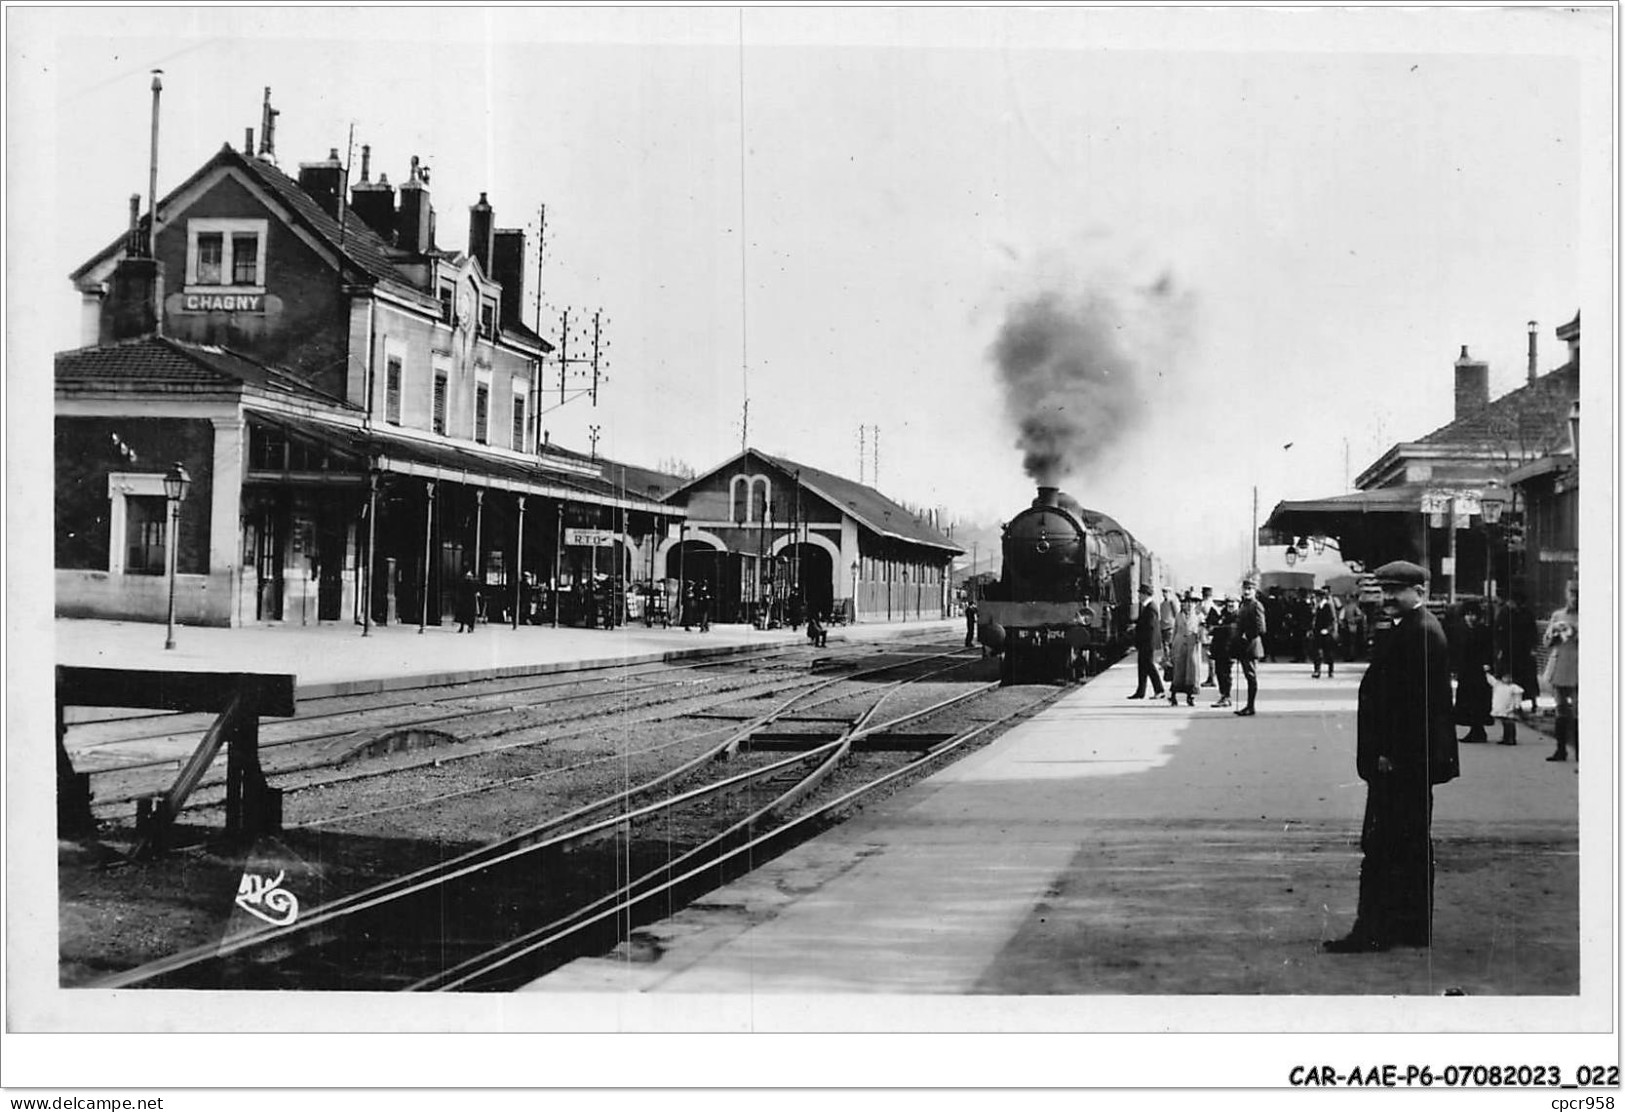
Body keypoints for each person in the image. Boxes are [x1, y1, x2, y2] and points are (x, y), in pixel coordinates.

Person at [1323, 560, 1458, 954]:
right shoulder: (1417, 629)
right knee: (1409, 842)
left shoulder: (1420, 634)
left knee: (1383, 844)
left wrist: (1390, 754)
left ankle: (1373, 930)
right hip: (1409, 760)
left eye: (1396, 590)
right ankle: (1410, 928)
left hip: (1401, 762)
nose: (1388, 598)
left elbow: (1415, 706)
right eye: (1384, 590)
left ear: (1420, 592)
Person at [1543, 582, 1578, 762]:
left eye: (1578, 593)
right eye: (1571, 593)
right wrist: (1555, 634)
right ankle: (1560, 749)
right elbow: (1546, 641)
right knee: (1561, 709)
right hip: (1560, 666)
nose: (1574, 597)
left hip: (1579, 667)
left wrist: (1576, 634)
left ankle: (1580, 752)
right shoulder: (1558, 615)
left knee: (1579, 710)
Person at [1451, 601, 1494, 743]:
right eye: (1468, 615)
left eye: (1474, 615)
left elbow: (1489, 649)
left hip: (1479, 671)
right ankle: (1475, 729)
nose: (1471, 618)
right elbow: (1455, 650)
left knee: (1478, 700)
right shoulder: (1459, 630)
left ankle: (1478, 729)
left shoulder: (1483, 630)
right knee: (1467, 701)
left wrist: (1487, 664)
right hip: (1465, 671)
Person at [1493, 591, 1541, 715]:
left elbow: (1533, 631)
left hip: (1523, 650)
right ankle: (1515, 704)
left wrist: (1533, 647)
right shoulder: (1504, 613)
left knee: (1527, 678)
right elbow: (1498, 632)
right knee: (1512, 678)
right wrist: (1499, 649)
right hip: (1510, 650)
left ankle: (1531, 701)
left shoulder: (1526, 613)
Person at [1231, 577, 1267, 716]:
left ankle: (1251, 706)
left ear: (1255, 591)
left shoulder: (1256, 605)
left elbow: (1261, 627)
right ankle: (1248, 706)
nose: (1247, 591)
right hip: (1243, 646)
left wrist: (1248, 635)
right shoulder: (1244, 605)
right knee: (1248, 676)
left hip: (1251, 646)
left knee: (1251, 677)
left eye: (1250, 589)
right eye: (1245, 589)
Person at [1128, 583, 1166, 700]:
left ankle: (1159, 690)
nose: (1139, 596)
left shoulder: (1151, 608)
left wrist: (1137, 627)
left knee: (1149, 666)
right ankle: (1140, 691)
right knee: (1142, 667)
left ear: (1145, 595)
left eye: (1140, 594)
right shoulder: (1147, 607)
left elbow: (1150, 627)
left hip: (1147, 642)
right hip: (1144, 642)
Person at [1167, 591, 1204, 706]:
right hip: (1180, 644)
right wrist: (1172, 644)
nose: (1187, 605)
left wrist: (1200, 637)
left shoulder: (1198, 615)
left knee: (1191, 670)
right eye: (1184, 603)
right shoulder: (1179, 615)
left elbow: (1203, 630)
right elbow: (1175, 630)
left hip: (1192, 645)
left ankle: (1190, 695)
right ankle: (1173, 695)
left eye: (1190, 603)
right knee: (1178, 670)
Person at [1208, 595, 1238, 708]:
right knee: (1219, 672)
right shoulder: (1224, 614)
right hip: (1219, 649)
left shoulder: (1237, 616)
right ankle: (1223, 695)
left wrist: (1217, 628)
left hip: (1229, 649)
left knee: (1225, 673)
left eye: (1233, 602)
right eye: (1229, 602)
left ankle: (1226, 696)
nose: (1230, 605)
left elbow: (1232, 630)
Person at [1309, 586, 1339, 678]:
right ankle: (1317, 670)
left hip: (1326, 632)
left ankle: (1331, 670)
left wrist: (1328, 629)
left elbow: (1332, 619)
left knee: (1328, 652)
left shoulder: (1327, 606)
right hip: (1317, 632)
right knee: (1316, 652)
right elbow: (1314, 620)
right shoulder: (1317, 607)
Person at [1488, 670, 1523, 746]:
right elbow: (1490, 679)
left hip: (1509, 708)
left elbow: (1518, 697)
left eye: (1509, 677)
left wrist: (1517, 705)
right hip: (1501, 707)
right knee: (1504, 723)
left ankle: (1511, 738)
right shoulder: (1498, 685)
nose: (1507, 679)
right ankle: (1505, 737)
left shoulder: (1514, 687)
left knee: (1510, 723)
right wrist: (1486, 673)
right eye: (1505, 677)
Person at [1199, 586, 1219, 686]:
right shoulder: (1212, 605)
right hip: (1209, 632)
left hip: (1208, 633)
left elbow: (1205, 619)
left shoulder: (1206, 605)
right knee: (1210, 656)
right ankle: (1211, 677)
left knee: (1210, 656)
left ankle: (1212, 678)